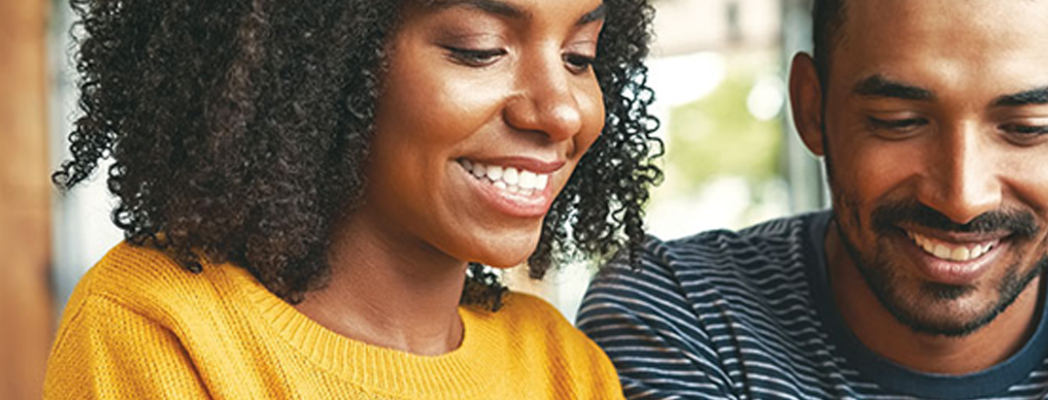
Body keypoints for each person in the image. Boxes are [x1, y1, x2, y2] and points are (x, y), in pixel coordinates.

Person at [577, 0, 1048, 398]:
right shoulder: (683, 319)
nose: (962, 194)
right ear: (811, 107)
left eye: (1026, 129)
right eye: (899, 122)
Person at [44, 0, 660, 398]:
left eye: (580, 57)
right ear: (314, 61)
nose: (558, 110)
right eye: (479, 49)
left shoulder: (562, 368)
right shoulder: (162, 329)